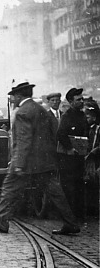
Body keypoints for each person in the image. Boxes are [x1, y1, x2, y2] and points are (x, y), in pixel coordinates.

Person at [0, 79, 79, 235]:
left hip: (26, 163)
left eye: (13, 96)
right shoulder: (41, 109)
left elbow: (23, 140)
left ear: (20, 96)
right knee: (56, 193)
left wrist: (18, 164)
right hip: (45, 162)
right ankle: (71, 223)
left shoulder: (22, 112)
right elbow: (53, 133)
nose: (12, 99)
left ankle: (1, 223)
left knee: (8, 190)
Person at [56, 87, 88, 219]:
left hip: (79, 156)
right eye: (78, 99)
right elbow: (61, 134)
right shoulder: (66, 116)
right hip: (67, 158)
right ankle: (69, 215)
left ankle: (78, 214)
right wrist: (69, 148)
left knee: (79, 184)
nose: (82, 101)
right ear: (70, 101)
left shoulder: (81, 115)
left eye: (82, 99)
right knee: (69, 186)